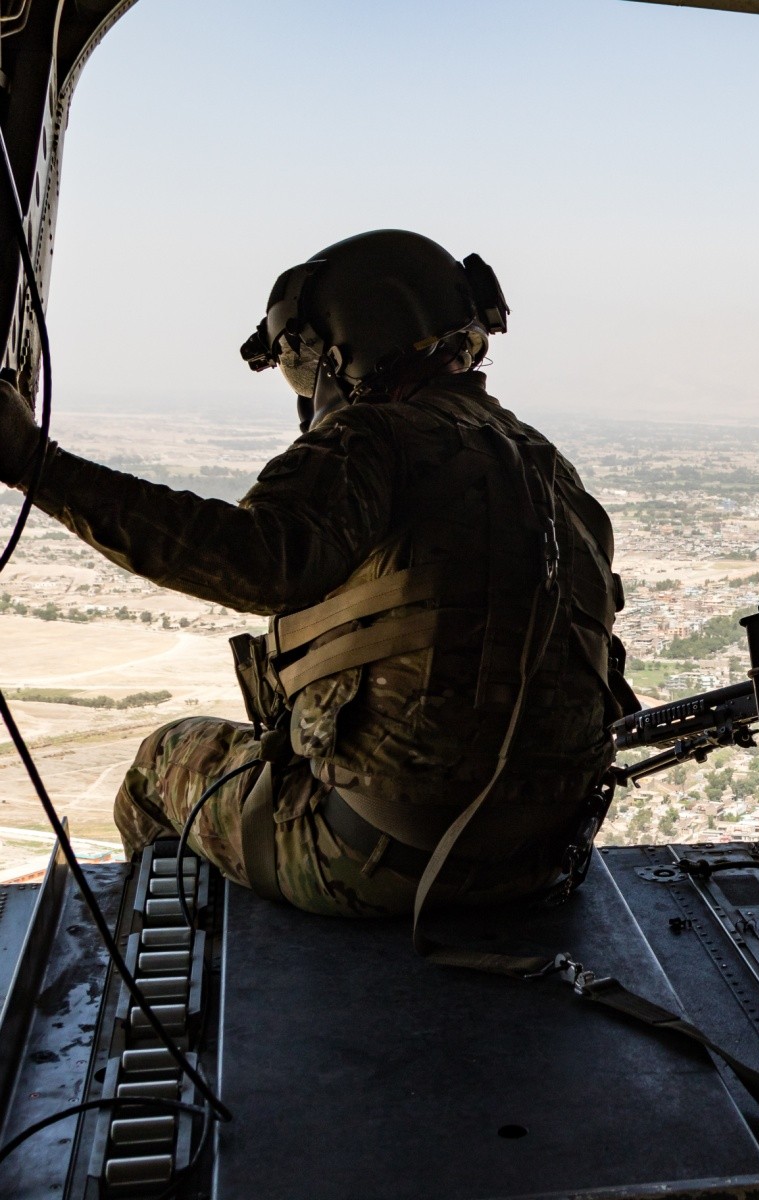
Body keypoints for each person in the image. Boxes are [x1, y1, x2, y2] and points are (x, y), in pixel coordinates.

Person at [0, 229, 638, 916]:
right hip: (542, 860)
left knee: (163, 762)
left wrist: (35, 462)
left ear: (341, 351)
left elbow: (253, 559)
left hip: (385, 858)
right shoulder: (551, 468)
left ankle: (172, 983)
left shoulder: (376, 439)